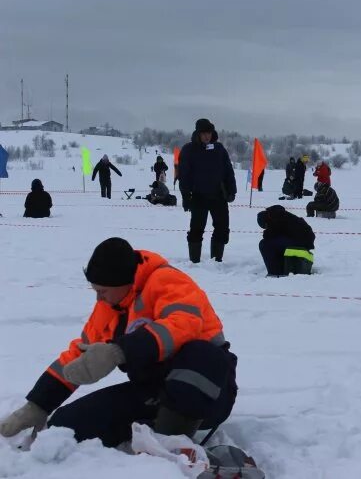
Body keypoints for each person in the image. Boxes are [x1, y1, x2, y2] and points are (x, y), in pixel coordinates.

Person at [0, 238, 237, 447]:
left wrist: (118, 351)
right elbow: (77, 357)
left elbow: (183, 324)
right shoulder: (109, 307)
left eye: (102, 291)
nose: (98, 297)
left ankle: (170, 447)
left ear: (125, 282)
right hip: (154, 392)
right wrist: (38, 405)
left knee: (202, 353)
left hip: (209, 391)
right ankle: (152, 432)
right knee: (65, 426)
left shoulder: (168, 281)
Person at [179, 118, 237, 263]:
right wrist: (186, 196)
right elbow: (184, 175)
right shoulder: (188, 150)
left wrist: (231, 190)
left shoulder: (219, 149)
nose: (207, 136)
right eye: (204, 133)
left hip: (218, 195)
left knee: (222, 228)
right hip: (198, 196)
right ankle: (194, 262)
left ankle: (216, 261)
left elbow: (228, 171)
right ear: (198, 134)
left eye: (209, 133)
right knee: (196, 229)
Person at [257, 205, 316, 276]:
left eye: (266, 226)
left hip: (302, 241)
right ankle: (281, 268)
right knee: (274, 243)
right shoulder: (278, 213)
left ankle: (274, 272)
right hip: (303, 240)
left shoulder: (275, 215)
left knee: (264, 244)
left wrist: (266, 233)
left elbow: (270, 234)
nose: (267, 228)